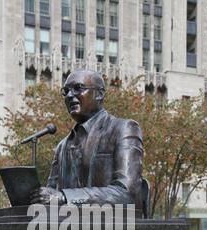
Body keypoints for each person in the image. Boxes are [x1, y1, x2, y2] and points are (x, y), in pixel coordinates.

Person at [30, 69, 143, 214]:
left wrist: (65, 198)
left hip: (112, 228)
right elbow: (52, 193)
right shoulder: (62, 146)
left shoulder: (123, 129)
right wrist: (37, 197)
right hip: (67, 229)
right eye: (66, 91)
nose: (70, 95)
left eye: (78, 88)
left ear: (99, 94)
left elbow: (127, 193)